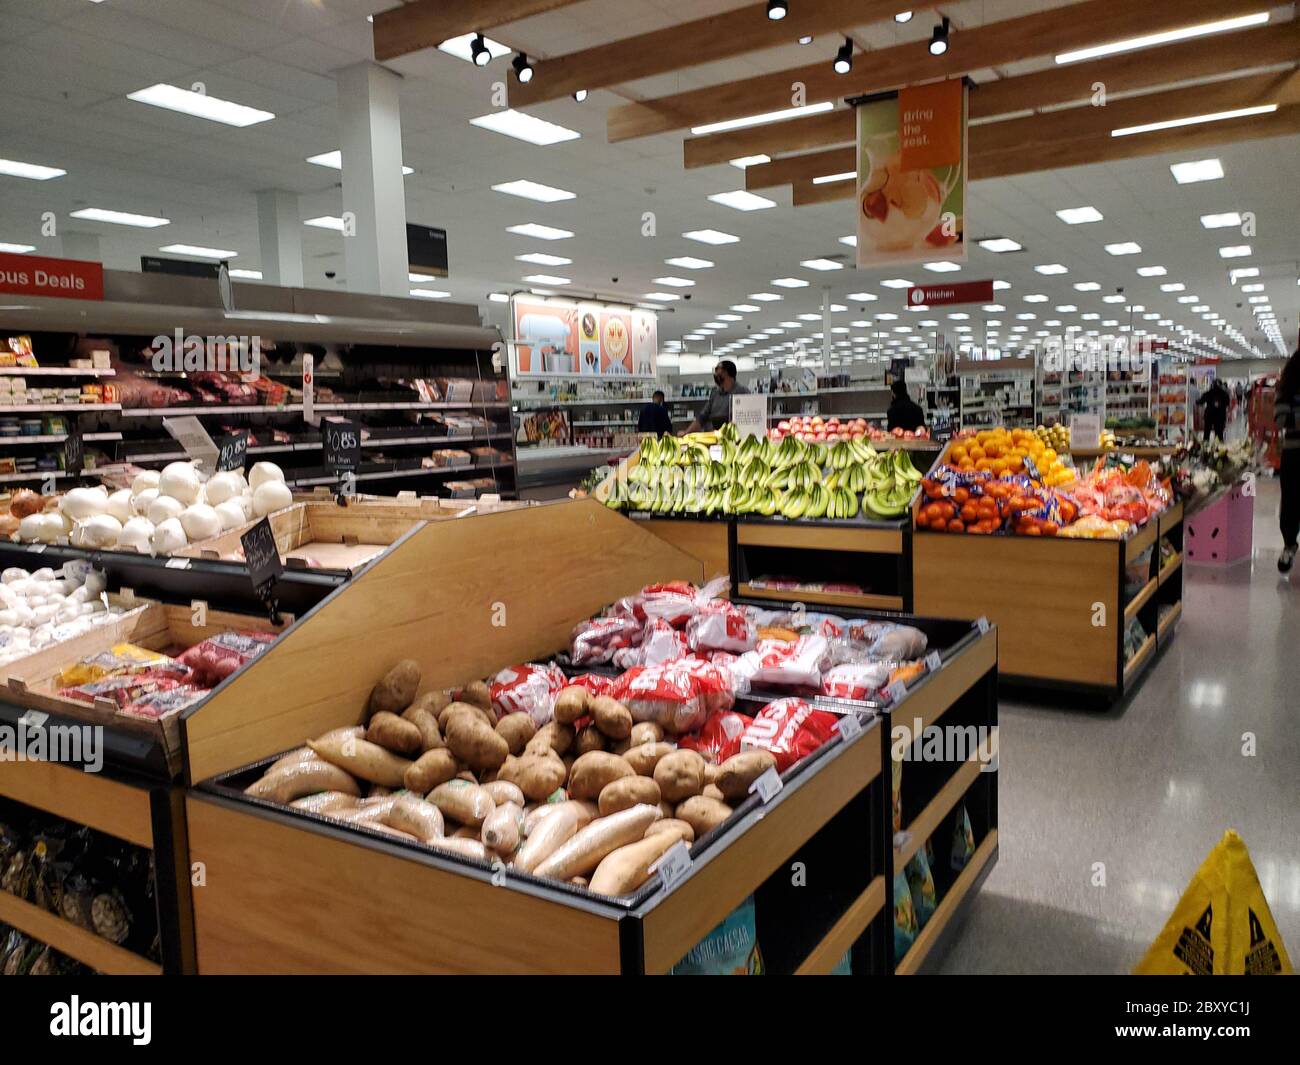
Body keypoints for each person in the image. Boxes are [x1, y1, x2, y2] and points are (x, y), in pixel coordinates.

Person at [1275, 348, 1300, 574]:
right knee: (1291, 502)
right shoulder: (1288, 387)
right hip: (1294, 453)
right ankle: (1289, 545)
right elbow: (1281, 418)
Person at [686, 360, 750, 432]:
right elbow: (702, 417)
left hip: (732, 436)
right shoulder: (715, 393)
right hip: (712, 435)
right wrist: (686, 432)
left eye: (717, 369)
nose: (715, 374)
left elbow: (746, 419)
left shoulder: (742, 392)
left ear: (726, 372)